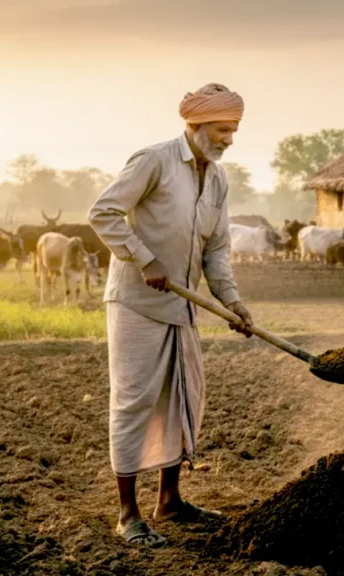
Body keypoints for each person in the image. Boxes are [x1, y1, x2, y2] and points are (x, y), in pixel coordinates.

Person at [87, 82, 254, 548]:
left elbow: (216, 249)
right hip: (137, 302)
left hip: (182, 306)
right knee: (135, 399)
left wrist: (231, 302)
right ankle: (127, 514)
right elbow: (103, 213)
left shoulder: (218, 180)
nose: (228, 138)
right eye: (222, 129)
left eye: (234, 129)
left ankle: (171, 500)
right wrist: (145, 259)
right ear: (194, 125)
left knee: (184, 397)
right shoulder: (154, 160)